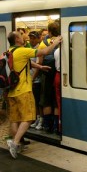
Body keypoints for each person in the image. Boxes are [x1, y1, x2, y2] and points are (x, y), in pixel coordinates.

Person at [6, 31, 62, 159]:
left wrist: (40, 67)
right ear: (17, 40)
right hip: (23, 91)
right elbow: (44, 52)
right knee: (29, 117)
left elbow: (27, 63)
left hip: (11, 91)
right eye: (21, 36)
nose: (23, 37)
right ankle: (14, 143)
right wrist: (56, 42)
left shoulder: (10, 51)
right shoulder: (22, 50)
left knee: (15, 119)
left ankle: (17, 142)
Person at [28, 31, 44, 130]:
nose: (32, 40)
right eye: (30, 38)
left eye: (34, 38)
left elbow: (38, 66)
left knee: (38, 101)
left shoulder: (39, 50)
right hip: (32, 79)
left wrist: (33, 79)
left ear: (38, 38)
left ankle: (41, 120)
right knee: (34, 101)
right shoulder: (31, 49)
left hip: (37, 80)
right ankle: (37, 118)